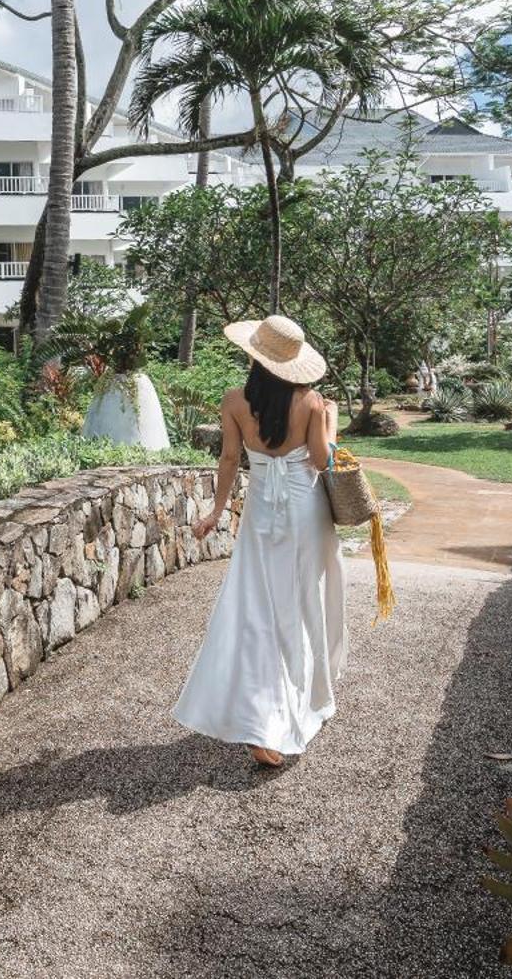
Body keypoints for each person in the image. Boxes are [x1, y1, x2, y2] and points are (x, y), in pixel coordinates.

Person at [173, 315, 347, 768]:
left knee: (257, 609)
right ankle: (287, 709)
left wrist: (216, 510)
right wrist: (331, 421)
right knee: (302, 605)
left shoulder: (233, 401)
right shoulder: (310, 402)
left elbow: (230, 458)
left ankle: (258, 716)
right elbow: (322, 460)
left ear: (254, 357)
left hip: (260, 516)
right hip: (305, 513)